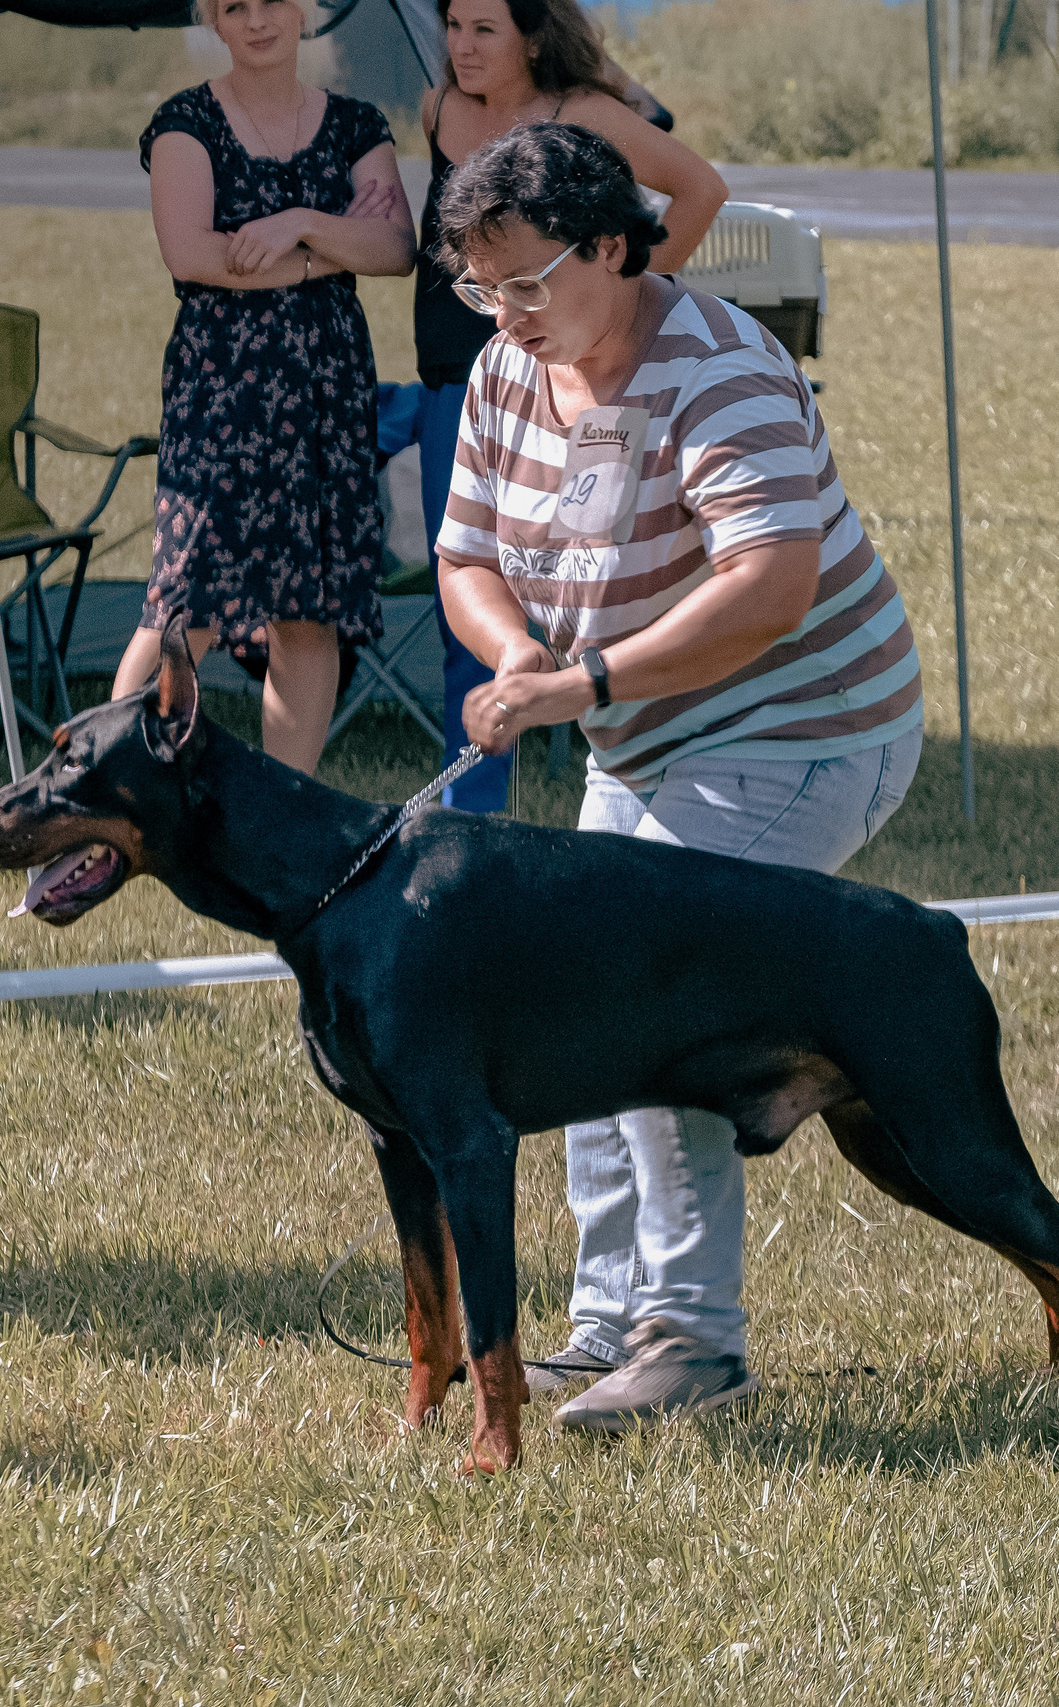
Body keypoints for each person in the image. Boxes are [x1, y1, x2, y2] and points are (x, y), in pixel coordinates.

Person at [433, 123, 925, 1429]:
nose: (505, 311)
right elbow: (466, 554)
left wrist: (585, 686)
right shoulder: (506, 369)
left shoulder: (720, 369)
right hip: (644, 732)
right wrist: (516, 651)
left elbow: (771, 588)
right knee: (571, 1000)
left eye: (528, 280)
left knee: (654, 997)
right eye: (482, 286)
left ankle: (697, 1343)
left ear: (610, 245)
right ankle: (608, 1330)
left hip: (810, 729)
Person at [412, 0, 722, 811]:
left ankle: (633, 753)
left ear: (535, 37)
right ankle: (473, 805)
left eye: (485, 29)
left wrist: (617, 304)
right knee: (473, 588)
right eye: (453, 26)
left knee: (597, 569)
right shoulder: (438, 108)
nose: (461, 45)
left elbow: (701, 186)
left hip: (582, 376)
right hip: (468, 374)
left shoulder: (581, 114)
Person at [109, 0, 415, 775]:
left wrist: (298, 222)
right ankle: (109, 783)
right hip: (221, 395)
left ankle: (291, 805)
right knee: (186, 600)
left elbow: (394, 247)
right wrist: (326, 251)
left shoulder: (356, 124)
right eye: (234, 5)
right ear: (213, 20)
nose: (257, 19)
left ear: (306, 10)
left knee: (308, 614)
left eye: (273, 0)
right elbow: (193, 255)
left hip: (327, 393)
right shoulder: (186, 121)